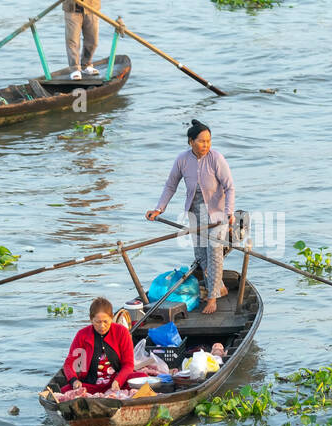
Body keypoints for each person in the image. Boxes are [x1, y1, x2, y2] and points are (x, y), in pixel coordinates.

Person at [146, 121, 235, 315]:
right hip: (195, 214)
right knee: (201, 256)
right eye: (202, 141)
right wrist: (158, 209)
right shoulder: (182, 160)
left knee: (214, 250)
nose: (206, 145)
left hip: (217, 215)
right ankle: (220, 287)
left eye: (209, 141)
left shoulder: (216, 158)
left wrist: (229, 212)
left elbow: (229, 187)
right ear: (190, 141)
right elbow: (171, 185)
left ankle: (212, 298)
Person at [59, 297, 135, 395]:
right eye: (98, 322)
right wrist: (74, 380)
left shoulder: (121, 332)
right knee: (64, 391)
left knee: (140, 377)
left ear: (111, 317)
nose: (102, 326)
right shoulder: (82, 335)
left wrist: (118, 381)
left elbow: (128, 364)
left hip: (116, 384)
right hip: (90, 384)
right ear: (91, 319)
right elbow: (69, 363)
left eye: (106, 321)